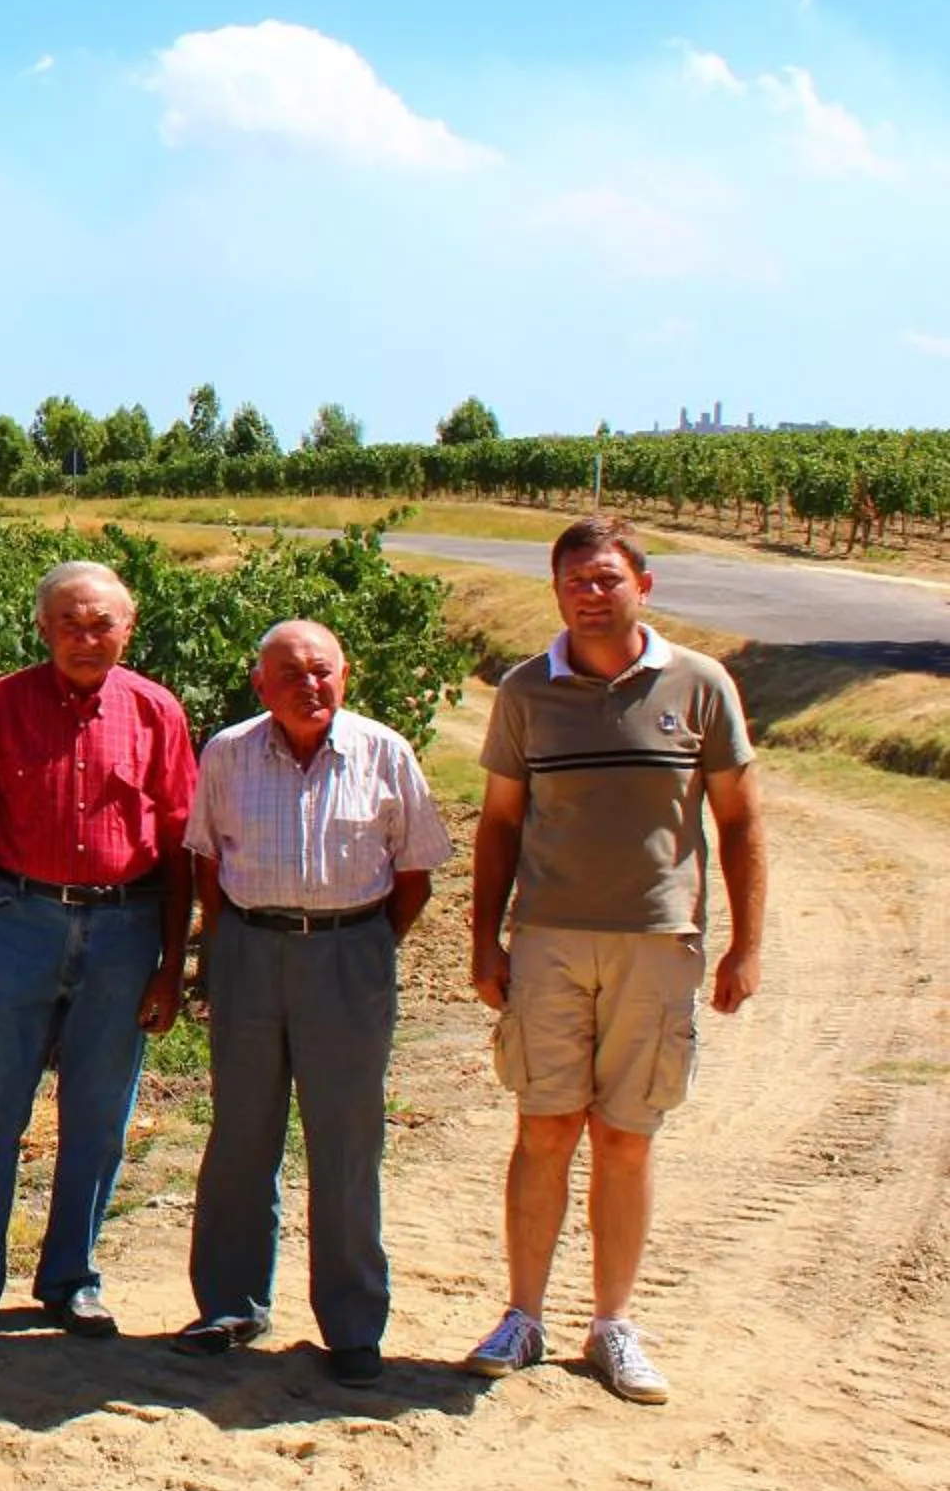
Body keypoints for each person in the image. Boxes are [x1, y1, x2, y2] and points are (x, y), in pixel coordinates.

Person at [464, 516, 763, 1405]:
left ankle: (613, 1324)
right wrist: (486, 937)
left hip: (657, 943)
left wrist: (746, 944)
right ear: (556, 593)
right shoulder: (526, 692)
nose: (590, 595)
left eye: (605, 579)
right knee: (545, 1128)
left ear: (644, 583)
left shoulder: (700, 685)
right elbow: (501, 825)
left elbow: (739, 820)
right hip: (551, 941)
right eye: (573, 583)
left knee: (627, 1139)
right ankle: (522, 1315)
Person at [171, 620, 451, 1388]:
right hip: (249, 955)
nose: (310, 686)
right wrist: (221, 954)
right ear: (261, 685)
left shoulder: (385, 752)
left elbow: (415, 873)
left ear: (345, 674)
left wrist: (360, 947)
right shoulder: (228, 752)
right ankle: (231, 1305)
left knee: (347, 1145)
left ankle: (354, 1324)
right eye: (290, 674)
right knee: (239, 1136)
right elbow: (206, 860)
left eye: (322, 670)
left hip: (349, 954)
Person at [0, 560, 195, 1339]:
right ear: (42, 629)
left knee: (98, 1114)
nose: (85, 637)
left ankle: (71, 1277)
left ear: (127, 628)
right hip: (21, 920)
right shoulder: (3, 705)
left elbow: (180, 850)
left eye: (100, 623)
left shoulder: (156, 712)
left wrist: (172, 966)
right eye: (69, 624)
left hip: (124, 929)